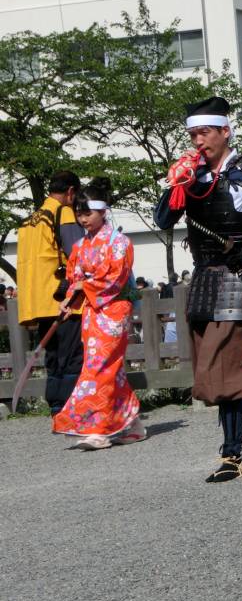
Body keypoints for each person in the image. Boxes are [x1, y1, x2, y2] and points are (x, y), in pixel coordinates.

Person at [154, 96, 242, 483]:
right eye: (193, 134)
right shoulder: (191, 177)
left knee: (227, 370)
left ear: (225, 131)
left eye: (205, 133)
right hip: (205, 281)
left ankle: (232, 456)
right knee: (214, 374)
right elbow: (163, 219)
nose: (198, 141)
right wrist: (176, 183)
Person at [52, 179, 144, 450]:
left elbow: (116, 279)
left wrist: (84, 285)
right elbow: (74, 278)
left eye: (87, 213)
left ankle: (99, 428)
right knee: (105, 368)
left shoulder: (120, 242)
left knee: (101, 367)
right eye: (78, 214)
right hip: (93, 311)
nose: (82, 219)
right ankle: (134, 423)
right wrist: (70, 299)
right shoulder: (80, 246)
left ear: (103, 211)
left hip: (114, 310)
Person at [15, 170, 85, 415]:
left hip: (39, 300)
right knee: (73, 355)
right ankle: (70, 408)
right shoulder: (63, 212)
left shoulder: (33, 219)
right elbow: (78, 252)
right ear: (70, 192)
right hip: (63, 298)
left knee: (53, 357)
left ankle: (56, 405)